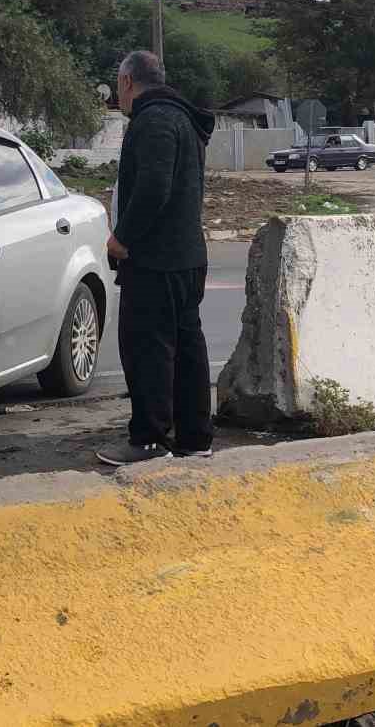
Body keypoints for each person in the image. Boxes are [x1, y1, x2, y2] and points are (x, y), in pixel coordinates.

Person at [97, 51, 216, 466]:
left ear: (128, 82)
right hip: (187, 257)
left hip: (155, 260)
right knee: (186, 349)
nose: (118, 94)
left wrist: (121, 239)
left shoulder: (153, 120)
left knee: (147, 349)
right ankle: (195, 438)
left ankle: (147, 440)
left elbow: (153, 188)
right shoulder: (183, 118)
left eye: (118, 85)